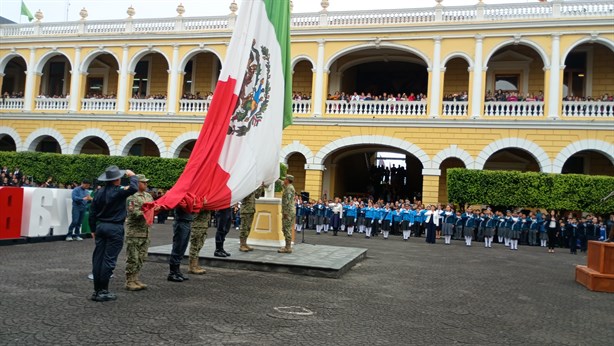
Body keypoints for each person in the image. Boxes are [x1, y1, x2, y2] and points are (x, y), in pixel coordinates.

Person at [89, 166, 138, 302]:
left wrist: (93, 229)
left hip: (101, 227)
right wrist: (133, 176)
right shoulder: (118, 191)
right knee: (109, 260)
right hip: (114, 227)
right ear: (117, 179)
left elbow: (92, 213)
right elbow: (134, 188)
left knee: (98, 258)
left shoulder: (98, 192)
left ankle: (96, 290)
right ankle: (103, 291)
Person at [124, 174, 154, 291]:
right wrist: (149, 211)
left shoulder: (148, 196)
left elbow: (152, 208)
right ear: (137, 183)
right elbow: (134, 213)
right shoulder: (131, 196)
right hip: (134, 233)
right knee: (133, 258)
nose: (146, 184)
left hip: (145, 232)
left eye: (146, 182)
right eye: (143, 182)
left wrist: (154, 209)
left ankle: (136, 278)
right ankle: (129, 281)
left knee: (141, 257)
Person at [168, 194, 199, 282]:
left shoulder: (188, 196)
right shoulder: (180, 196)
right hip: (181, 222)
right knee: (178, 247)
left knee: (182, 248)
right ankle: (172, 273)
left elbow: (192, 210)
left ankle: (177, 271)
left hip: (186, 222)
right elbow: (186, 207)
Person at [239, 185, 265, 252]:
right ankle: (242, 245)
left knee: (248, 228)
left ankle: (245, 243)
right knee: (244, 228)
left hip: (251, 210)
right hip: (245, 211)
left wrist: (260, 187)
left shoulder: (252, 188)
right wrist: (250, 189)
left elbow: (257, 196)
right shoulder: (245, 188)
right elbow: (244, 197)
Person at [189, 208, 211, 274]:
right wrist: (204, 205)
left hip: (203, 225)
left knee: (199, 246)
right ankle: (192, 266)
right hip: (197, 226)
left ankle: (195, 264)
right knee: (195, 246)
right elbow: (194, 210)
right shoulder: (197, 200)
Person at [279, 175, 295, 253]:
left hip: (288, 212)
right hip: (290, 211)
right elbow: (281, 183)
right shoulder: (288, 187)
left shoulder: (289, 189)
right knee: (286, 228)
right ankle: (287, 246)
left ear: (288, 180)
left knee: (286, 229)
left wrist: (285, 212)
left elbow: (287, 201)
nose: (284, 180)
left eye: (285, 179)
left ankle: (288, 247)